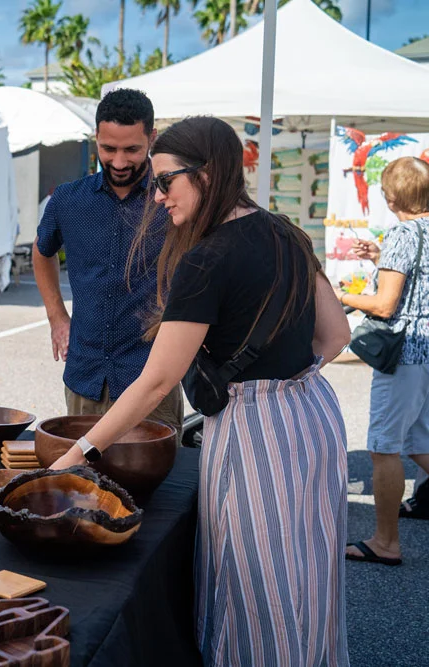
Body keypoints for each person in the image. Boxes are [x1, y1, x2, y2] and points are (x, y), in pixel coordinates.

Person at [50, 116, 352, 665]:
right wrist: (288, 381)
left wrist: (75, 454)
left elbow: (158, 380)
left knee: (255, 588)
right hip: (314, 417)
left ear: (207, 174)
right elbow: (336, 337)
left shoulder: (205, 260)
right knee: (308, 573)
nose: (157, 196)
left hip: (256, 433)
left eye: (166, 181)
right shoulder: (286, 230)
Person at [34, 89, 183, 433]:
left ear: (152, 138)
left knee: (156, 485)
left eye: (131, 149)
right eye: (108, 149)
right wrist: (57, 318)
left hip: (153, 381)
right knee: (83, 483)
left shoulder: (173, 201)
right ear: (96, 138)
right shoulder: (68, 200)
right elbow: (42, 253)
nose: (118, 162)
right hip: (85, 378)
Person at [339, 156, 429, 566]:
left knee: (383, 448)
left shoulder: (403, 232)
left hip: (404, 353)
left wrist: (337, 295)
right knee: (421, 442)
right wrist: (381, 256)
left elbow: (386, 304)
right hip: (426, 349)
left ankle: (386, 542)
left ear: (390, 197)